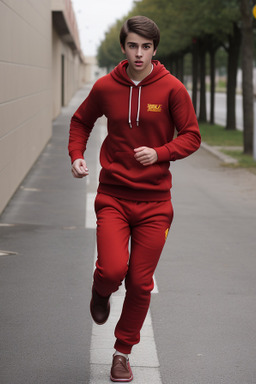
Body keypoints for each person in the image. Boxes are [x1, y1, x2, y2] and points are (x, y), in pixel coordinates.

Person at [68, 15, 201, 382]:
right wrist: (76, 155)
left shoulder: (172, 89)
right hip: (113, 195)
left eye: (146, 47)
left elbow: (191, 136)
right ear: (123, 47)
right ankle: (101, 290)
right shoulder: (106, 87)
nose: (139, 53)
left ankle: (122, 353)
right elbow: (81, 121)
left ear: (154, 50)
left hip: (156, 203)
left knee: (140, 283)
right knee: (112, 269)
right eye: (132, 46)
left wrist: (160, 153)